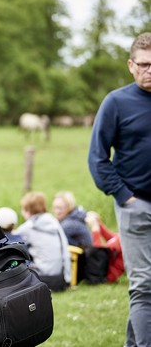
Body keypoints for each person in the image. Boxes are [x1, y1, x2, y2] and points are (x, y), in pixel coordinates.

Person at [88, 32, 151, 347]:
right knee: (144, 285)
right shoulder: (117, 102)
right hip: (136, 206)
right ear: (131, 65)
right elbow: (97, 158)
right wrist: (125, 197)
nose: (149, 71)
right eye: (143, 65)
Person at [15, 191, 71, 291]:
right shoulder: (54, 222)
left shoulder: (29, 226)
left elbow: (11, 238)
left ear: (28, 210)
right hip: (60, 279)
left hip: (42, 279)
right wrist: (68, 279)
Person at [84, 211, 125, 283]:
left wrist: (95, 228)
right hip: (101, 267)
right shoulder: (123, 237)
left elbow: (98, 254)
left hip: (104, 275)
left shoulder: (127, 241)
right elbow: (111, 238)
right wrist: (98, 222)